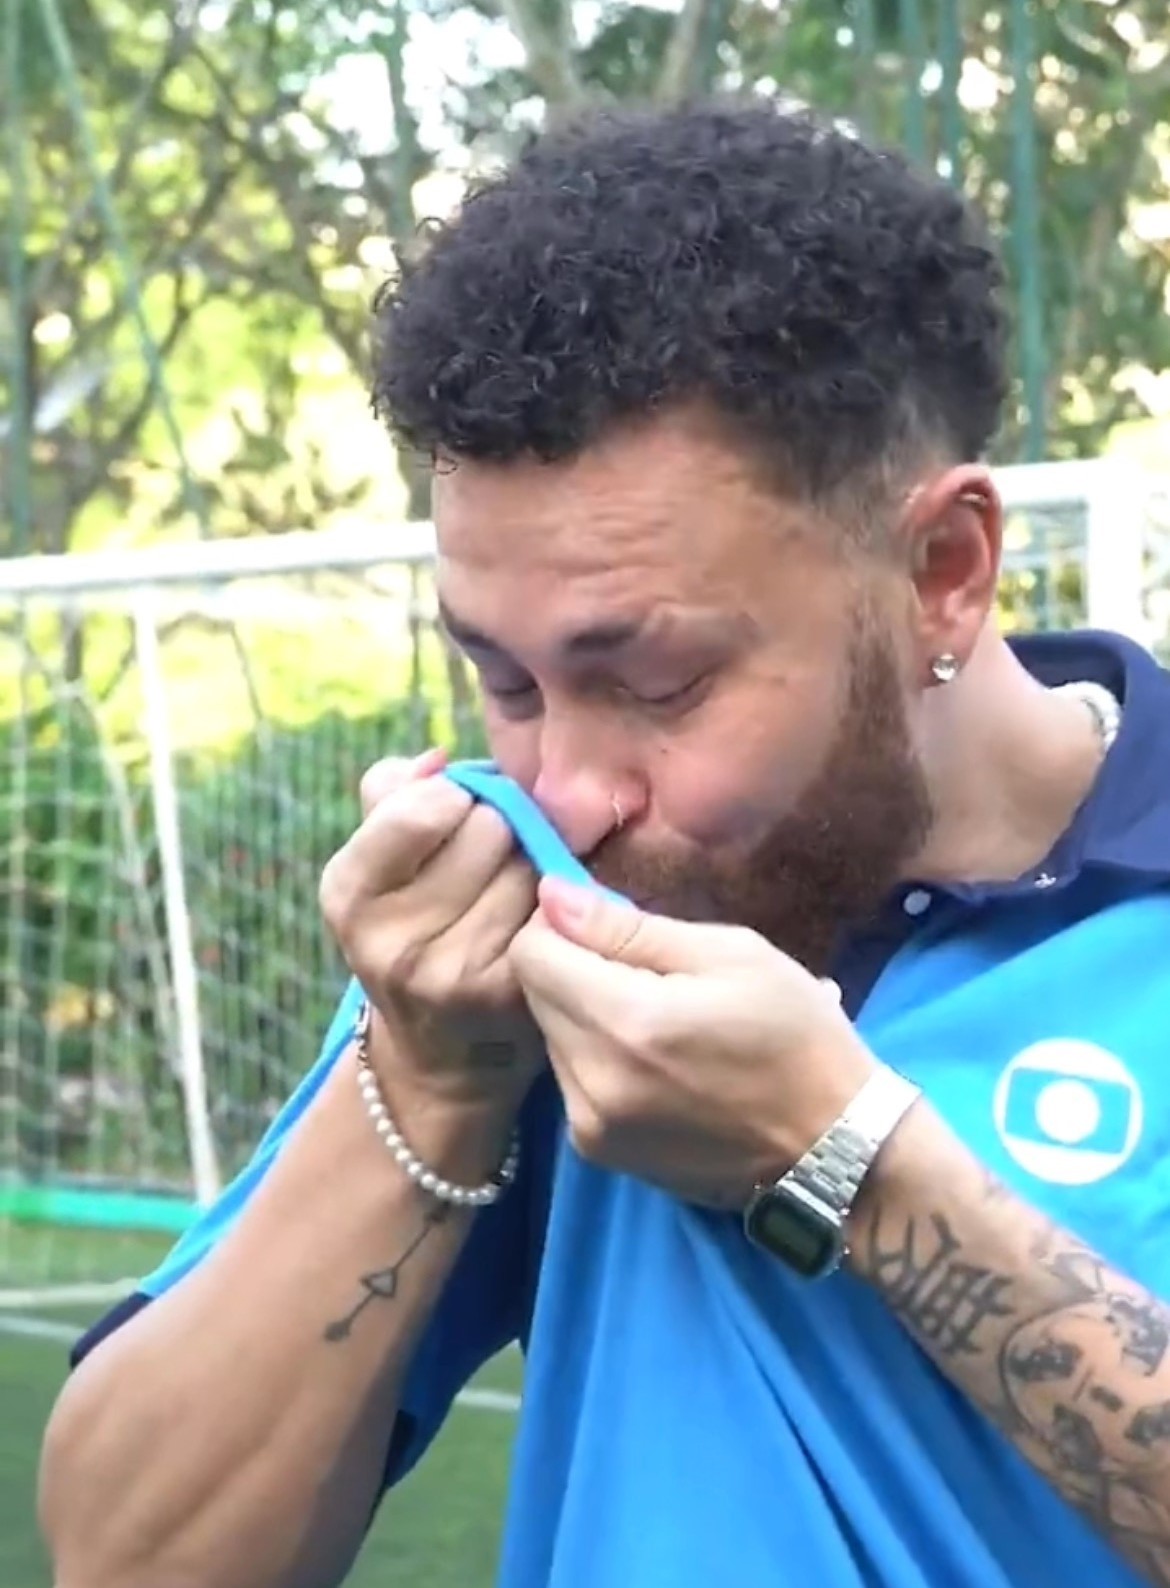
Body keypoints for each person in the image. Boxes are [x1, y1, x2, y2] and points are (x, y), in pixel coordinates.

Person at [40, 99, 1170, 1588]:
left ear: (942, 571)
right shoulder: (508, 959)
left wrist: (845, 1157)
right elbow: (129, 1564)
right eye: (503, 681)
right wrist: (431, 1079)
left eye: (655, 683)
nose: (564, 795)